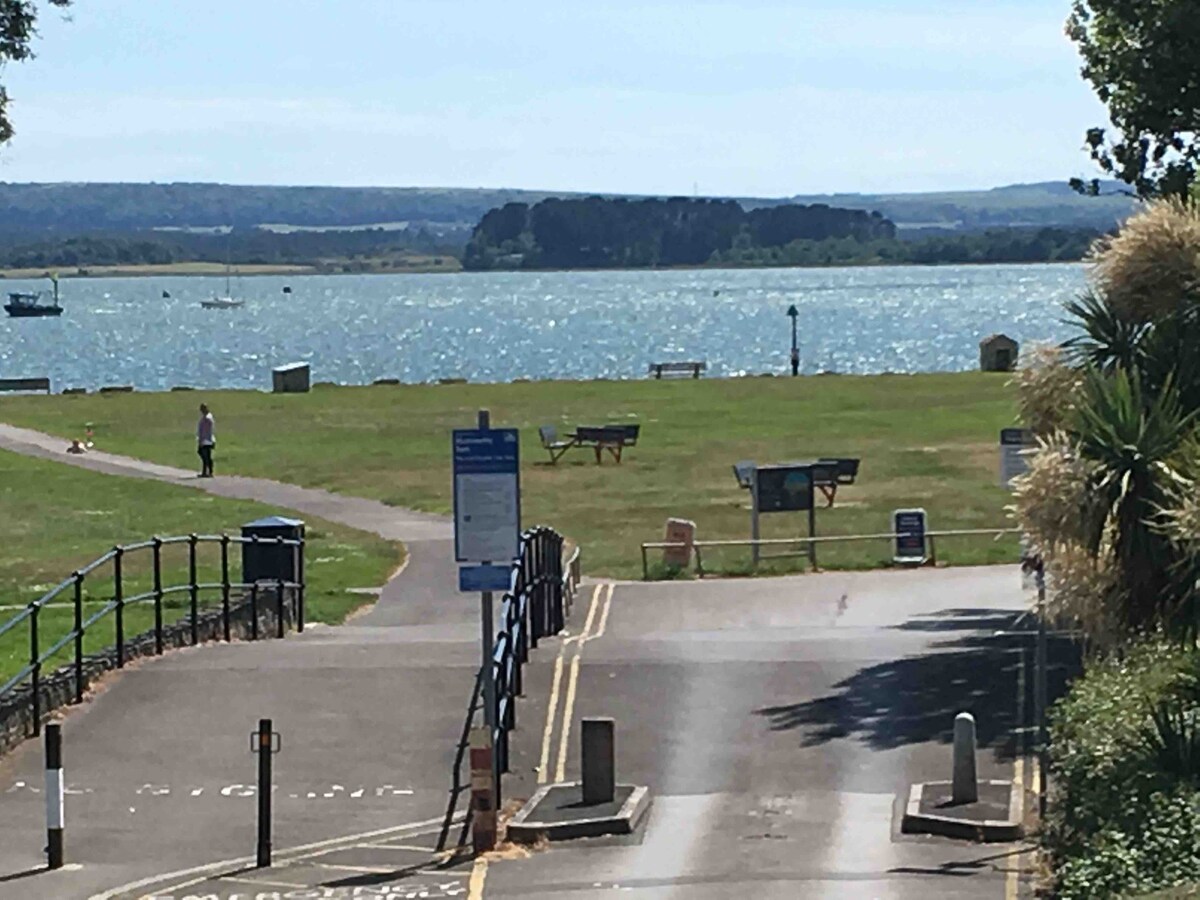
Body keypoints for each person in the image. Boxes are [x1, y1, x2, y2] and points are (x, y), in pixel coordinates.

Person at [196, 403, 215, 477]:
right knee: (205, 456)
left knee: (206, 456)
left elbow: (205, 431)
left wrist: (201, 440)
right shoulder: (206, 417)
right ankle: (206, 471)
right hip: (206, 440)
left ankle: (208, 472)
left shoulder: (207, 418)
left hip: (206, 440)